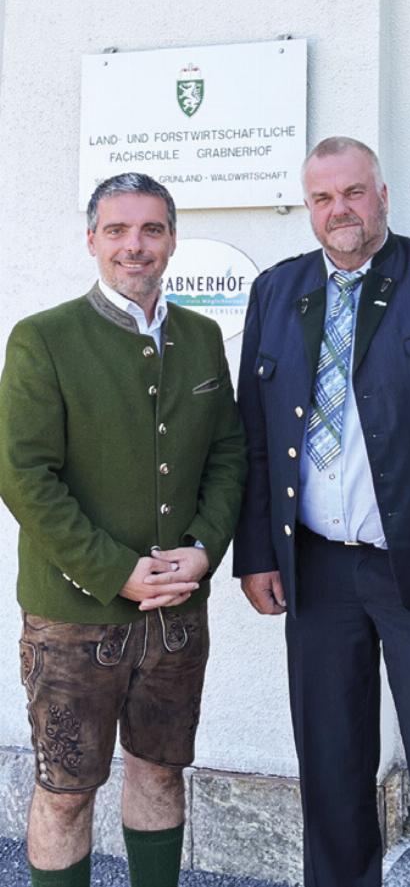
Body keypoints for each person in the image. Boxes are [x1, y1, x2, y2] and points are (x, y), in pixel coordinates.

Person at [234, 136, 410, 887]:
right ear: (308, 207)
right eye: (322, 197)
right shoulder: (277, 291)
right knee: (330, 758)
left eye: (353, 192)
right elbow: (254, 431)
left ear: (384, 194)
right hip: (315, 570)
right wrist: (256, 550)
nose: (339, 210)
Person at [0, 173, 246, 887]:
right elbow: (24, 476)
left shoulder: (200, 336)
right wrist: (114, 570)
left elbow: (228, 452)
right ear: (91, 240)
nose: (134, 246)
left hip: (176, 614)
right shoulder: (43, 338)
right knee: (68, 790)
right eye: (117, 230)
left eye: (150, 230)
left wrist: (203, 550)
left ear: (171, 239)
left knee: (161, 773)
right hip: (75, 620)